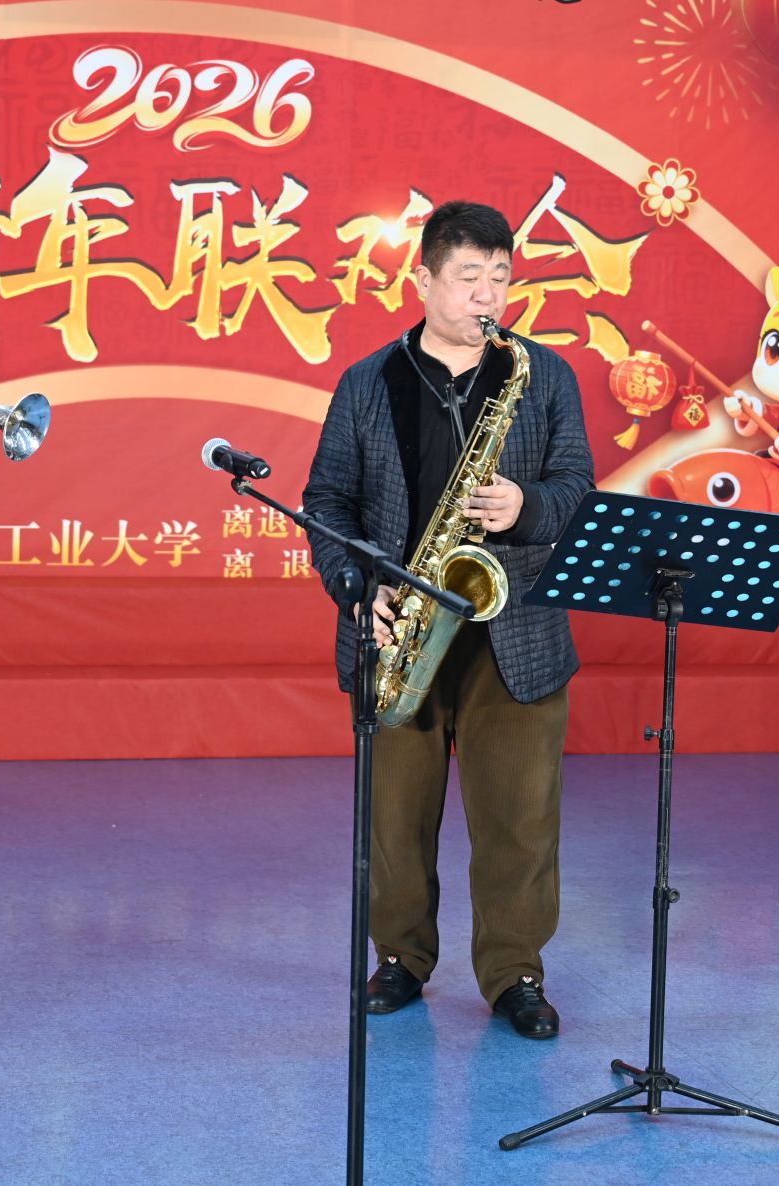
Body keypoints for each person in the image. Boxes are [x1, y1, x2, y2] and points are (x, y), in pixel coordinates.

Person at [303, 200, 595, 1039]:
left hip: (517, 630)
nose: (487, 296)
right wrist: (359, 586)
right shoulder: (368, 383)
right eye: (469, 278)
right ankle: (400, 958)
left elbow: (576, 487)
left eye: (500, 277)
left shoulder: (542, 375)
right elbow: (328, 500)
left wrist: (526, 506)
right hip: (399, 625)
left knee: (522, 818)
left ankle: (515, 973)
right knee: (395, 819)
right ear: (424, 279)